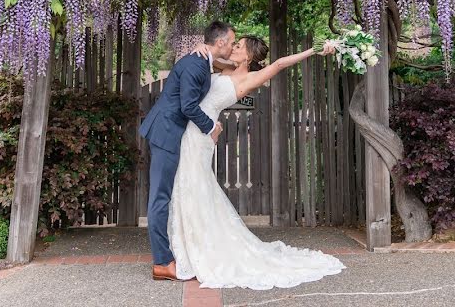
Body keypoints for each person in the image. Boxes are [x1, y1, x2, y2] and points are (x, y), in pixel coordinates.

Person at [166, 35, 345, 289]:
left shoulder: (250, 78)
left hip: (202, 134)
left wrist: (314, 51)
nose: (234, 47)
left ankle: (199, 249)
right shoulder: (225, 66)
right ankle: (192, 244)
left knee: (194, 185)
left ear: (248, 56)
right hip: (195, 129)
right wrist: (198, 45)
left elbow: (281, 63)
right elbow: (205, 57)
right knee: (191, 186)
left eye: (238, 46)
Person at [139, 20, 235, 281]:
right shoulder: (196, 64)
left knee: (162, 195)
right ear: (221, 42)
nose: (234, 47)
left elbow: (227, 64)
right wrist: (211, 127)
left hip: (168, 131)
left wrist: (204, 48)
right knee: (160, 197)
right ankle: (161, 262)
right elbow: (188, 106)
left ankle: (164, 258)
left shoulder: (202, 60)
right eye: (232, 42)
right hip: (166, 132)